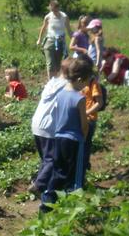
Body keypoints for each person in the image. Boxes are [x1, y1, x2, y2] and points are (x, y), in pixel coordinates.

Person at [39, 57, 90, 212]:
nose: (86, 85)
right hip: (74, 141)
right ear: (80, 79)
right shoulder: (80, 98)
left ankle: (47, 200)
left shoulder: (60, 94)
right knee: (76, 175)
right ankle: (75, 207)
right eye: (86, 81)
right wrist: (84, 138)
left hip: (58, 139)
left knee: (58, 171)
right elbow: (84, 124)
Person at [29, 61, 68, 199]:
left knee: (46, 158)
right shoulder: (66, 86)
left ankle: (41, 183)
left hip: (37, 123)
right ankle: (39, 185)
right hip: (50, 126)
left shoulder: (52, 82)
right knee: (52, 159)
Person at [81, 66, 105, 186]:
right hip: (80, 119)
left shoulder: (93, 83)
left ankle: (82, 173)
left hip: (89, 120)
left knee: (84, 146)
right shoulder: (80, 83)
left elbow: (99, 103)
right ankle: (80, 173)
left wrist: (87, 113)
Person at [36, 0, 71, 79]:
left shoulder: (64, 17)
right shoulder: (48, 17)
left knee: (57, 66)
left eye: (55, 10)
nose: (53, 12)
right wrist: (39, 39)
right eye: (52, 10)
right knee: (50, 64)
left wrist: (74, 39)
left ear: (58, 8)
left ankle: (54, 81)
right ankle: (50, 83)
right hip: (50, 41)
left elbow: (69, 30)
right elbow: (43, 28)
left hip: (60, 42)